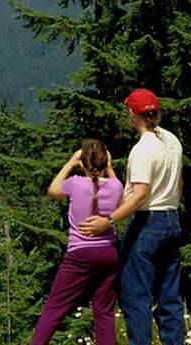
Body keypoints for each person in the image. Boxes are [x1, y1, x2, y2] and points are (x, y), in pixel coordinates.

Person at [79, 88, 184, 345]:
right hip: (172, 219)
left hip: (147, 223)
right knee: (169, 296)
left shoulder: (142, 150)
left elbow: (139, 194)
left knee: (136, 295)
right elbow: (179, 183)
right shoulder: (172, 141)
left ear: (133, 115)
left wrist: (110, 220)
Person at [30, 139, 123, 345]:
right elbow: (121, 195)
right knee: (104, 312)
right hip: (109, 254)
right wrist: (110, 167)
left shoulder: (75, 184)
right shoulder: (116, 186)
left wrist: (70, 163)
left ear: (82, 163)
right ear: (105, 160)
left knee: (55, 308)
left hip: (80, 255)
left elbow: (53, 190)